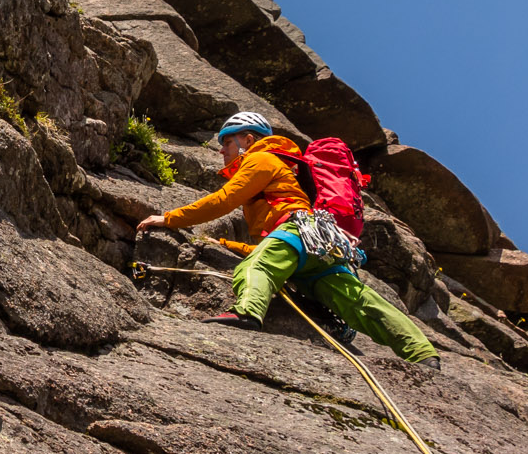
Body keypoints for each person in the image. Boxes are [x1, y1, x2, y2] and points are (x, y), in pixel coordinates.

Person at [136, 112, 441, 369]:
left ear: (248, 140)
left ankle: (248, 314)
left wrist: (169, 218)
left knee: (255, 269)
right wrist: (227, 246)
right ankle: (421, 352)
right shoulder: (287, 170)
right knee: (360, 301)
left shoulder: (262, 159)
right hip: (319, 245)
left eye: (228, 141)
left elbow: (225, 200)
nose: (222, 150)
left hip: (297, 232)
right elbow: (278, 249)